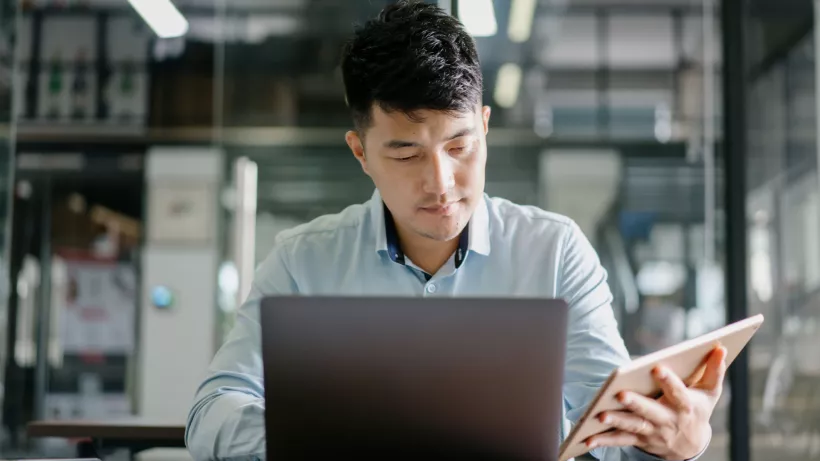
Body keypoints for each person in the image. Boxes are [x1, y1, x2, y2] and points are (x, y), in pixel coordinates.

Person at [185, 2, 726, 460]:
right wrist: (320, 443)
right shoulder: (303, 262)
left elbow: (611, 431)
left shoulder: (554, 252)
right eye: (406, 152)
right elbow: (212, 409)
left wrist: (682, 439)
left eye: (460, 146)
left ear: (485, 127)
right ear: (361, 153)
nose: (441, 183)